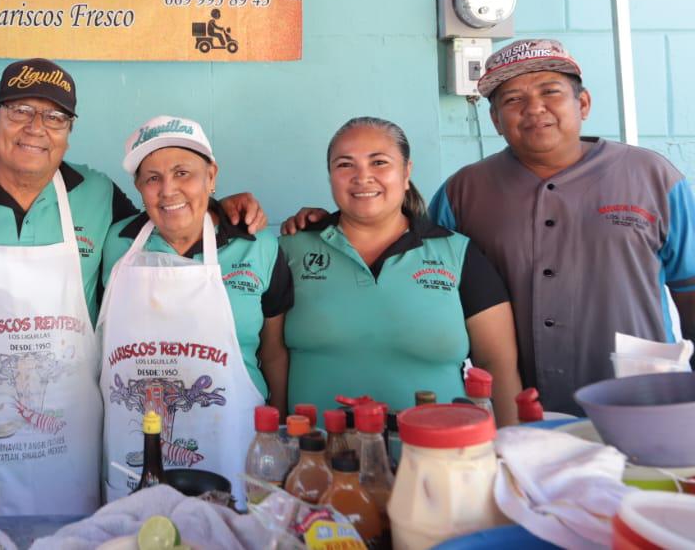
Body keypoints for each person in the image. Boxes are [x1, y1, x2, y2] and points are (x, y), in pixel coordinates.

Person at [0, 58, 264, 517]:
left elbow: (168, 218)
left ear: (68, 132)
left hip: (82, 454)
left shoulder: (97, 194)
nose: (36, 128)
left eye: (55, 117)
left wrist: (220, 207)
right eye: (20, 111)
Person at [428, 39, 695, 413]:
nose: (534, 108)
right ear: (495, 120)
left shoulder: (652, 176)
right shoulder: (463, 192)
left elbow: (691, 290)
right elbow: (424, 281)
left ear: (582, 104)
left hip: (640, 401)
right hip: (518, 411)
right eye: (513, 100)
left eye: (550, 92)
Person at [98, 116, 291, 504]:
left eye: (183, 172)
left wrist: (280, 435)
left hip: (233, 443)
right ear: (138, 187)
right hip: (132, 455)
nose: (168, 190)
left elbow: (273, 352)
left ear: (212, 175)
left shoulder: (258, 247)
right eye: (152, 177)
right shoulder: (115, 245)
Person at [279, 117, 521, 424]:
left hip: (439, 458)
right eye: (344, 165)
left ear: (406, 172)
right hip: (317, 459)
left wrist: (508, 443)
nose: (362, 176)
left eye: (379, 162)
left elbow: (497, 363)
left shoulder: (457, 254)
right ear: (330, 176)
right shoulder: (290, 251)